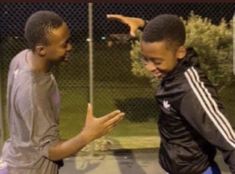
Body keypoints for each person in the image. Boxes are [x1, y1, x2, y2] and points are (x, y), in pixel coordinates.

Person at [107, 14, 235, 174]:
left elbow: (227, 138)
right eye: (145, 60)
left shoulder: (190, 88)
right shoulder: (173, 68)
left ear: (180, 52)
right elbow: (164, 37)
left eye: (157, 61)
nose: (150, 68)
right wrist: (142, 23)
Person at [0, 11, 125, 174]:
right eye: (64, 44)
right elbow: (51, 151)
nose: (70, 47)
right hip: (31, 169)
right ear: (42, 50)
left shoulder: (21, 57)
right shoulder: (33, 91)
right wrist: (88, 135)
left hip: (16, 157)